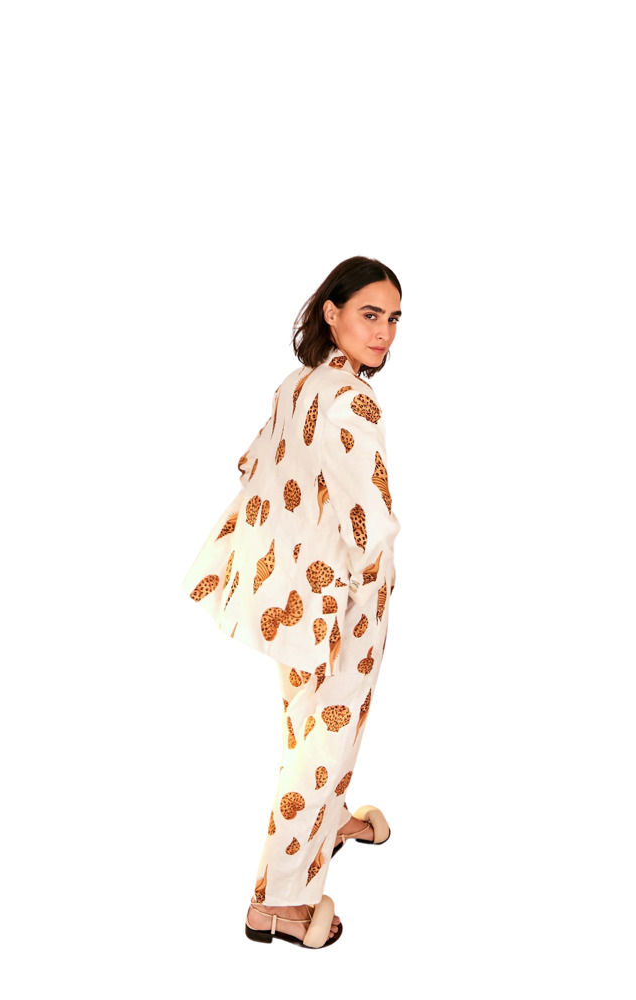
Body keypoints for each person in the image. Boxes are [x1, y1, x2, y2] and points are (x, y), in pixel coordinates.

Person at [181, 255, 402, 948]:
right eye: (370, 314)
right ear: (332, 313)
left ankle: (325, 821)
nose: (384, 332)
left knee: (311, 725)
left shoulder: (297, 384)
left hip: (292, 589)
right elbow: (372, 519)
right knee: (326, 737)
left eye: (394, 319)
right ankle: (278, 903)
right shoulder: (352, 400)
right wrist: (367, 586)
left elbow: (253, 464)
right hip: (343, 596)